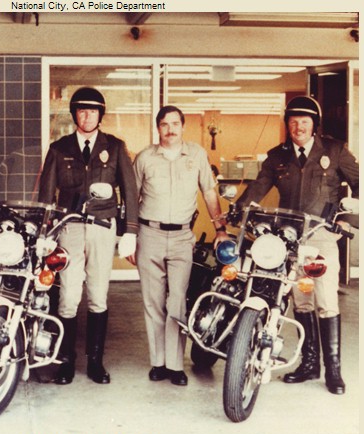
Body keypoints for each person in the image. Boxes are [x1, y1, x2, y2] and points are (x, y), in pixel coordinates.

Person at [236, 95, 359, 395]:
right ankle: (309, 364)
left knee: (326, 300)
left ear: (314, 125)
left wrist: (348, 220)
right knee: (302, 300)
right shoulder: (277, 156)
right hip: (289, 239)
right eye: (293, 122)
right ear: (287, 125)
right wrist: (238, 212)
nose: (298, 127)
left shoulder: (334, 151)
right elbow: (257, 188)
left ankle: (333, 371)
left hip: (321, 238)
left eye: (304, 122)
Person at [38, 87, 138, 385]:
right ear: (74, 115)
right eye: (82, 111)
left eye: (93, 111)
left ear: (100, 115)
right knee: (68, 296)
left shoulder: (115, 147)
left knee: (97, 294)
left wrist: (130, 231)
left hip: (102, 227)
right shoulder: (60, 148)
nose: (87, 116)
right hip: (69, 228)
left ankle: (95, 361)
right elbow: (46, 193)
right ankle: (65, 361)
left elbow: (129, 190)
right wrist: (45, 231)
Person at [130, 105, 229, 386]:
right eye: (164, 124)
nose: (170, 129)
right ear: (157, 128)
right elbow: (132, 198)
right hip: (149, 234)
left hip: (183, 237)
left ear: (183, 126)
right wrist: (129, 237)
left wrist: (220, 228)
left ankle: (175, 365)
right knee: (152, 302)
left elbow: (209, 192)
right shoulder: (145, 157)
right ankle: (158, 363)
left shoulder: (196, 154)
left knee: (177, 300)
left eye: (175, 124)